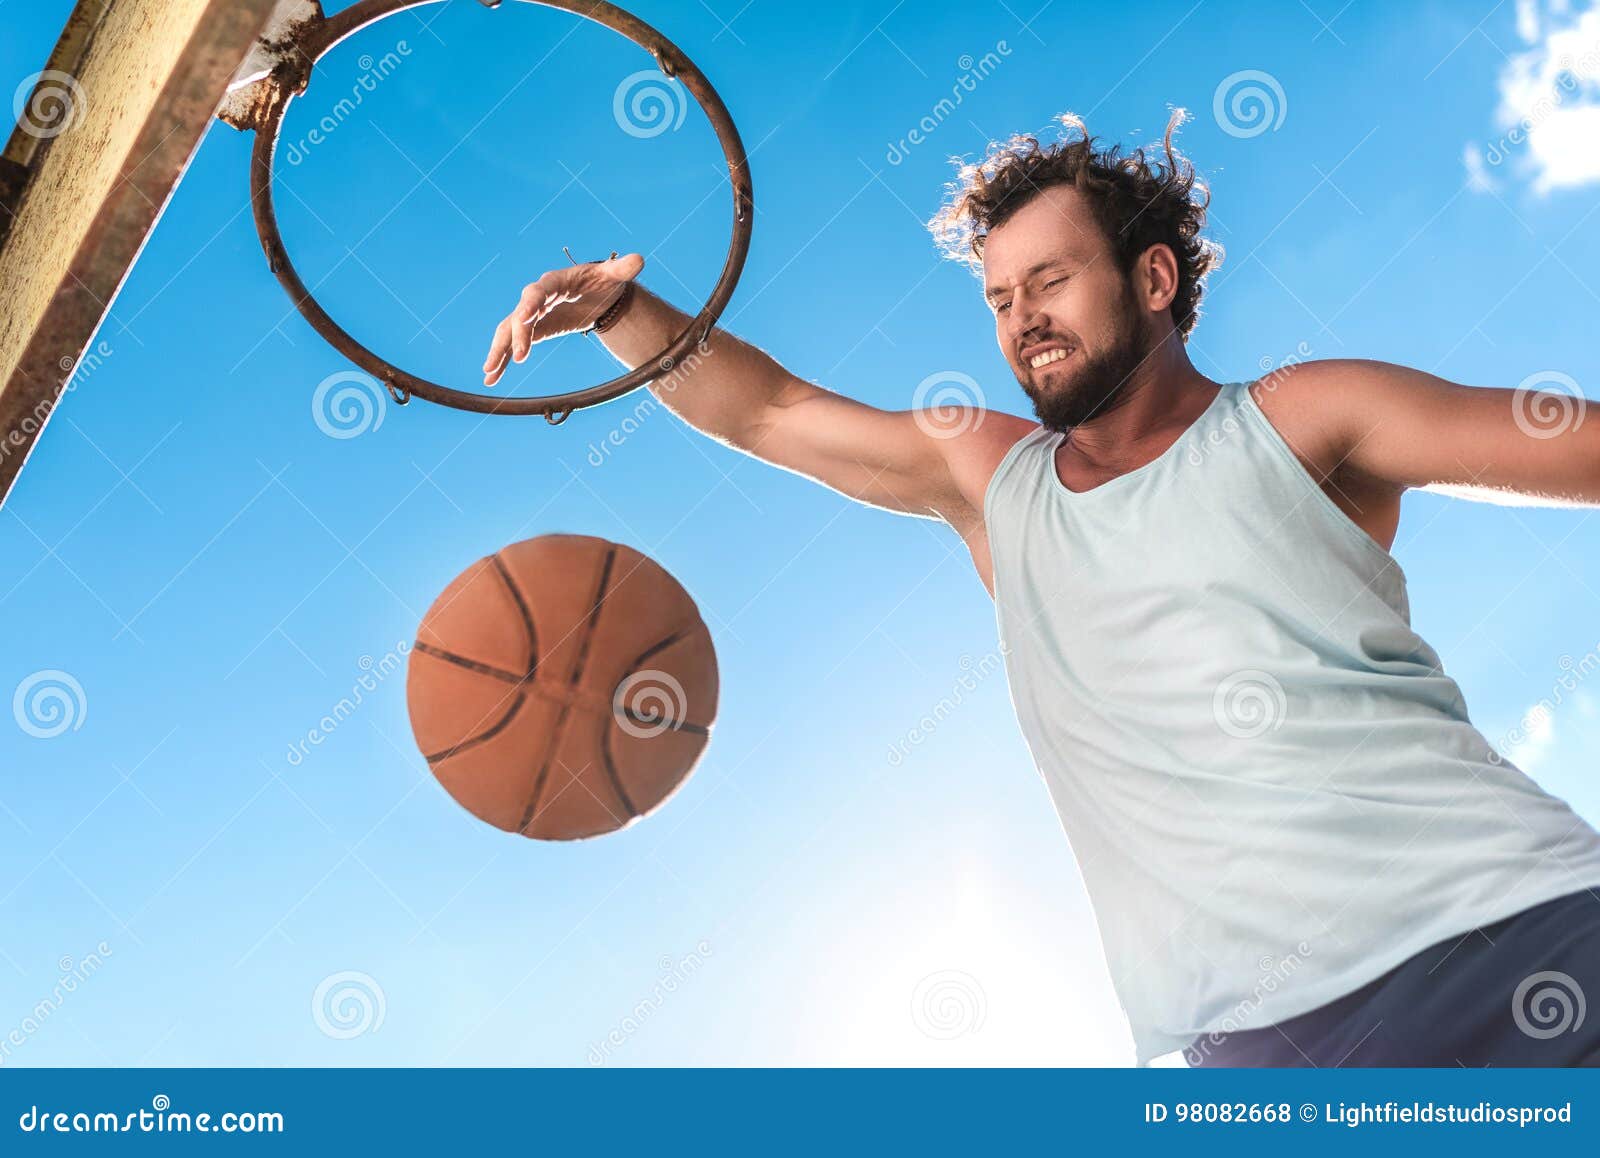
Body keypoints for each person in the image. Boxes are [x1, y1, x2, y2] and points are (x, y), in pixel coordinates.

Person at [482, 112, 1600, 1067]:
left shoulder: (1302, 416)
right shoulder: (994, 480)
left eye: (1051, 281)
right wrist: (622, 314)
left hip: (1521, 930)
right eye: (1000, 297)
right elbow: (766, 409)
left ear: (1152, 279)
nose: (1021, 319)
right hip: (1261, 1045)